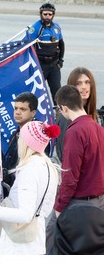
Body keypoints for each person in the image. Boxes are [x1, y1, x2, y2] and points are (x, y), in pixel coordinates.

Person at [0, 121, 60, 254]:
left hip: (19, 245)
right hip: (35, 238)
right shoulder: (48, 165)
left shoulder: (30, 169)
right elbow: (45, 209)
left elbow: (26, 214)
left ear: (28, 143)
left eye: (21, 137)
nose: (18, 140)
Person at [53, 85, 104, 215]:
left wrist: (59, 206)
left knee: (52, 233)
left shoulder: (75, 131)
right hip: (99, 200)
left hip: (81, 203)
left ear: (64, 107)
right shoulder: (98, 127)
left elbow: (70, 174)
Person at [55, 67, 98, 162]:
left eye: (87, 82)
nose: (84, 87)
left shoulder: (92, 113)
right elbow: (66, 157)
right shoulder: (67, 116)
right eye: (78, 83)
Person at [25, 2, 65, 104]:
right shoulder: (35, 28)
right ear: (41, 14)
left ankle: (59, 114)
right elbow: (27, 46)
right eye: (45, 14)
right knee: (37, 92)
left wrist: (60, 60)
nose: (47, 16)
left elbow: (61, 44)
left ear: (53, 15)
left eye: (50, 14)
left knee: (57, 91)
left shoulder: (56, 27)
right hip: (40, 65)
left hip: (54, 64)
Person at [3, 92, 38, 195]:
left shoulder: (37, 137)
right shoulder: (15, 133)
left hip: (26, 191)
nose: (17, 112)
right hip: (12, 189)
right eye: (16, 108)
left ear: (33, 113)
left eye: (22, 109)